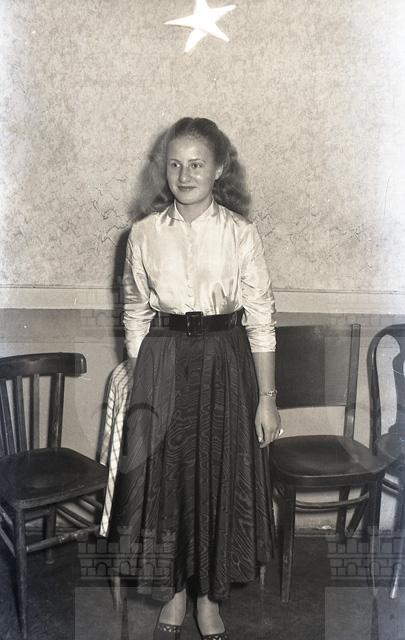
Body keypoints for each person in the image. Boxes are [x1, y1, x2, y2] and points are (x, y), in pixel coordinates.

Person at [108, 117, 282, 640]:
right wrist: (142, 380)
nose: (184, 175)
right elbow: (135, 313)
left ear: (219, 169)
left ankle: (208, 599)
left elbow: (261, 318)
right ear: (163, 170)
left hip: (223, 365)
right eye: (175, 164)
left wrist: (267, 398)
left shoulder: (241, 234)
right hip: (161, 364)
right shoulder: (142, 234)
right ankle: (175, 594)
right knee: (168, 483)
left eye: (197, 164)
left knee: (216, 480)